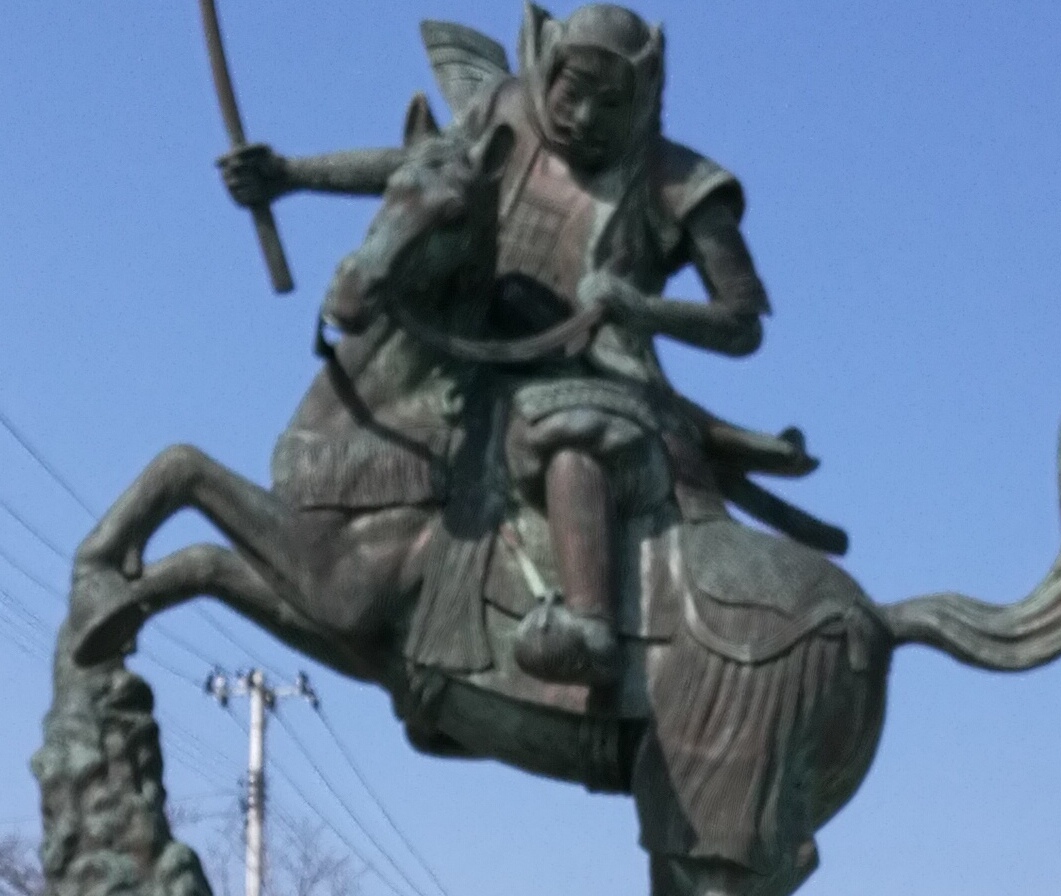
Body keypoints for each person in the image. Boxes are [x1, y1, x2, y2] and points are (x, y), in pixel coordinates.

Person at [219, 4, 771, 688]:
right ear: (548, 69)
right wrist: (292, 174)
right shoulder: (503, 110)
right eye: (573, 92)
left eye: (610, 103)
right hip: (470, 345)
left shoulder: (680, 184)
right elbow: (421, 172)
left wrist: (642, 309)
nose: (585, 117)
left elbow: (742, 323)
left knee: (564, 434)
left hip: (589, 370)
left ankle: (589, 624)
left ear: (644, 97)